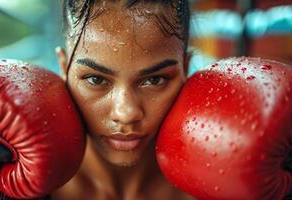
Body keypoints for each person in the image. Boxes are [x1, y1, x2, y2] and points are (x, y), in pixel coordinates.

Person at [52, 0, 195, 199]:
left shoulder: (208, 184)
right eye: (96, 79)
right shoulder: (39, 185)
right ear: (64, 67)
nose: (126, 113)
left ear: (186, 69)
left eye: (155, 80)